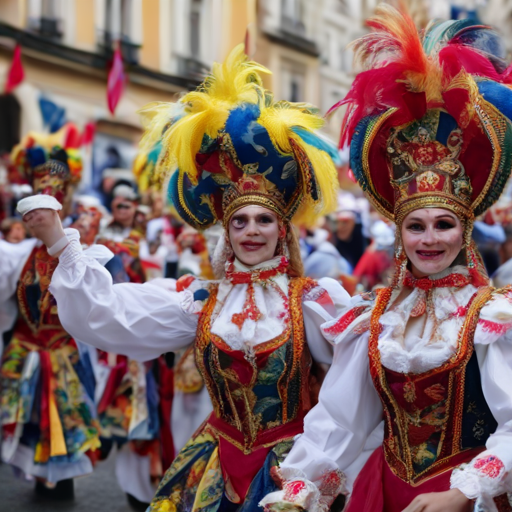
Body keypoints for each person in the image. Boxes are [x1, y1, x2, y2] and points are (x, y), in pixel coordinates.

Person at [20, 45, 349, 511]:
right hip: (214, 461)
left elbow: (356, 385)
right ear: (226, 232)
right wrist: (59, 241)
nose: (251, 231)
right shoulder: (200, 299)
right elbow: (109, 316)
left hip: (293, 468)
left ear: (283, 230)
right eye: (240, 222)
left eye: (263, 220)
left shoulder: (313, 300)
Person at [260, 6, 512, 512]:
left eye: (444, 225)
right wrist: (302, 484)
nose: (430, 239)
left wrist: (463, 492)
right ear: (398, 235)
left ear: (464, 232)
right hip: (381, 492)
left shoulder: (492, 317)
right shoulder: (375, 317)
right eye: (415, 226)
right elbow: (341, 419)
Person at [0, 130, 100, 500]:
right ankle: (40, 479)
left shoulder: (81, 250)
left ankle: (58, 482)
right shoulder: (18, 252)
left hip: (61, 352)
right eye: (41, 193)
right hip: (25, 349)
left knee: (66, 419)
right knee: (27, 423)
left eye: (55, 194)